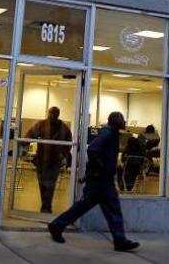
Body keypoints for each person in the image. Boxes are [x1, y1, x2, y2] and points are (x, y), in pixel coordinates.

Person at [48, 111, 140, 252]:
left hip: (102, 180)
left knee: (97, 207)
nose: (124, 122)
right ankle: (57, 226)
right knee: (109, 209)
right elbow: (93, 149)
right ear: (116, 121)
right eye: (122, 119)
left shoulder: (112, 133)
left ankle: (57, 225)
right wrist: (100, 167)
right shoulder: (108, 133)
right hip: (101, 180)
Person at [26, 106, 72, 213]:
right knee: (42, 183)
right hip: (41, 159)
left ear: (58, 115)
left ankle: (46, 206)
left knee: (51, 184)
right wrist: (23, 144)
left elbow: (69, 142)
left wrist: (63, 154)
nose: (51, 115)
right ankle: (45, 205)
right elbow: (30, 134)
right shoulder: (41, 124)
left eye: (54, 113)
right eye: (50, 113)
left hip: (55, 161)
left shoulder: (63, 127)